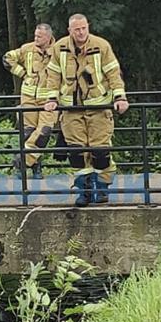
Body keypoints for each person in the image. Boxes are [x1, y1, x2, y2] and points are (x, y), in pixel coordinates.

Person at [44, 14, 130, 206]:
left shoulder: (101, 45)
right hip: (71, 109)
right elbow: (53, 76)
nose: (81, 32)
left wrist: (120, 97)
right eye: (77, 29)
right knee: (76, 153)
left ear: (88, 27)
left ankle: (102, 188)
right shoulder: (60, 48)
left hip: (99, 107)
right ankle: (84, 190)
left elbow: (113, 73)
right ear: (70, 31)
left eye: (84, 28)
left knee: (100, 152)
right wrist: (51, 99)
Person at [3, 23, 57, 179]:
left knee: (43, 132)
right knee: (28, 133)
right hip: (28, 97)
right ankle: (33, 167)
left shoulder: (58, 51)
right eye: (35, 35)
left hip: (48, 99)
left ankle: (22, 160)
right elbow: (7, 58)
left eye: (39, 36)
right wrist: (23, 74)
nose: (36, 39)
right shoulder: (27, 49)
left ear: (48, 37)